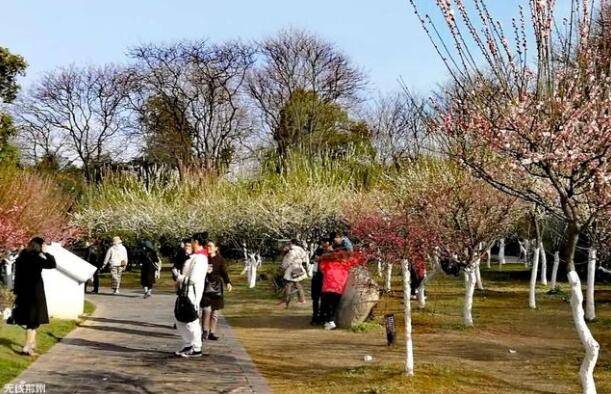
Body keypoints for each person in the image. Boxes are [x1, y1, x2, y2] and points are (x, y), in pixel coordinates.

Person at [12, 237, 57, 356]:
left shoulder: (21, 258)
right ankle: (27, 347)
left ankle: (32, 344)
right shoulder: (36, 258)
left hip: (23, 292)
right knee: (33, 321)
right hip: (35, 292)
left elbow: (17, 276)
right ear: (40, 246)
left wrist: (16, 292)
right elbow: (52, 264)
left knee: (31, 320)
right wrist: (46, 253)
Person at [174, 232, 209, 358]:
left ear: (196, 242)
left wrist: (179, 277)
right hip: (185, 292)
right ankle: (188, 343)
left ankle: (196, 347)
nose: (191, 244)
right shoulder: (194, 257)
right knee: (180, 319)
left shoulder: (200, 259)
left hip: (192, 293)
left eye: (192, 241)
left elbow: (193, 279)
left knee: (191, 320)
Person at [318, 249, 361, 330]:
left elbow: (321, 268)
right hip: (338, 288)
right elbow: (357, 261)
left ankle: (329, 321)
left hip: (327, 288)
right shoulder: (346, 264)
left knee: (327, 306)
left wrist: (322, 258)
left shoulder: (327, 263)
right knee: (334, 306)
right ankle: (331, 321)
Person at [200, 241, 232, 341]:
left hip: (217, 287)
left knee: (215, 312)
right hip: (205, 286)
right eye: (207, 246)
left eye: (210, 246)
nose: (208, 248)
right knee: (206, 310)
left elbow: (224, 272)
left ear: (216, 248)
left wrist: (228, 282)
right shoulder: (203, 258)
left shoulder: (220, 259)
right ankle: (204, 331)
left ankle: (212, 332)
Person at [279, 239, 308, 308]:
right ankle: (302, 300)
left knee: (288, 285)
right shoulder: (301, 250)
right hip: (298, 267)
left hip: (292, 268)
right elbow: (304, 259)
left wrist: (283, 267)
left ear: (291, 243)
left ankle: (286, 301)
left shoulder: (292, 251)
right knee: (297, 284)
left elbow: (288, 261)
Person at [311, 239, 333, 325]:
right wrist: (316, 259)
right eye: (323, 245)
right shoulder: (318, 250)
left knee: (325, 299)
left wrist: (321, 258)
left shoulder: (332, 253)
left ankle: (323, 317)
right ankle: (315, 317)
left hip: (326, 278)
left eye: (326, 246)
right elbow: (312, 260)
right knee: (315, 299)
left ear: (330, 245)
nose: (325, 247)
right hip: (317, 277)